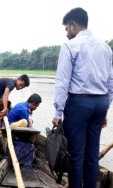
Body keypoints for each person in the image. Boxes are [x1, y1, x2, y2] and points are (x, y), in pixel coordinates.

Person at [52, 7, 113, 188]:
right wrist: (105, 109)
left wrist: (57, 112)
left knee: (76, 154)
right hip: (100, 103)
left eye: (66, 29)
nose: (66, 34)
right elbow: (111, 82)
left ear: (72, 26)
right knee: (92, 154)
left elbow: (62, 82)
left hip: (79, 104)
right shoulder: (105, 48)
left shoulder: (70, 46)